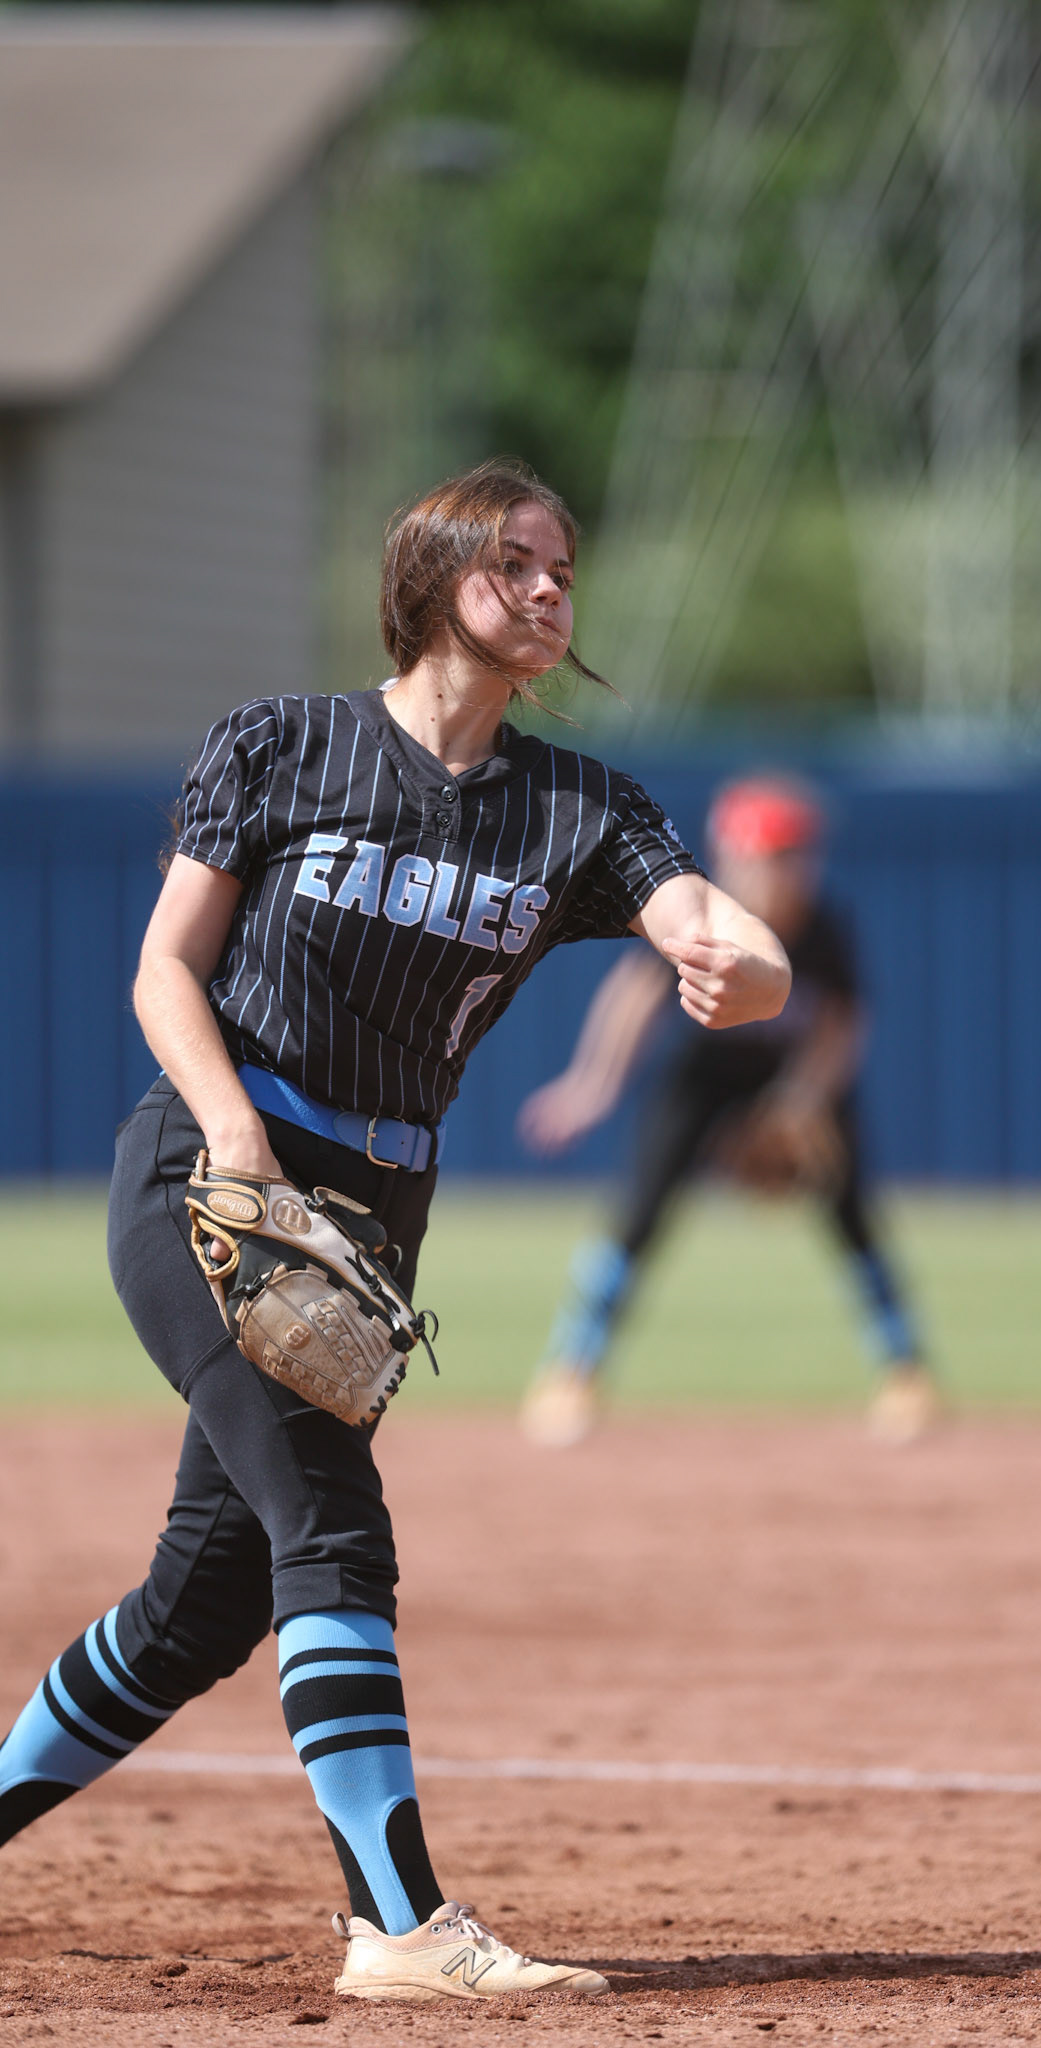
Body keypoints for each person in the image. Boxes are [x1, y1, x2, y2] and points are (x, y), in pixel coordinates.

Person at [0, 460, 789, 2007]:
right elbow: (168, 972)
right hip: (217, 1177)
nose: (553, 588)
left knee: (203, 1603)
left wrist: (741, 968)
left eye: (565, 566)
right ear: (435, 579)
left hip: (375, 1213)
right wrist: (231, 1131)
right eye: (518, 563)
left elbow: (710, 927)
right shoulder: (285, 743)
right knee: (336, 1529)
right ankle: (402, 1926)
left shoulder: (577, 805)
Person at [517, 772, 936, 1448]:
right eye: (771, 855)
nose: (788, 871)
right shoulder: (707, 914)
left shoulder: (824, 927)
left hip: (795, 1080)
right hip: (704, 1075)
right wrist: (592, 1083)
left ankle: (907, 1374)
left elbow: (841, 1026)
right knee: (638, 1217)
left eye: (797, 854)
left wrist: (800, 1102)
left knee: (855, 1217)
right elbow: (636, 994)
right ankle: (571, 1370)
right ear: (733, 855)